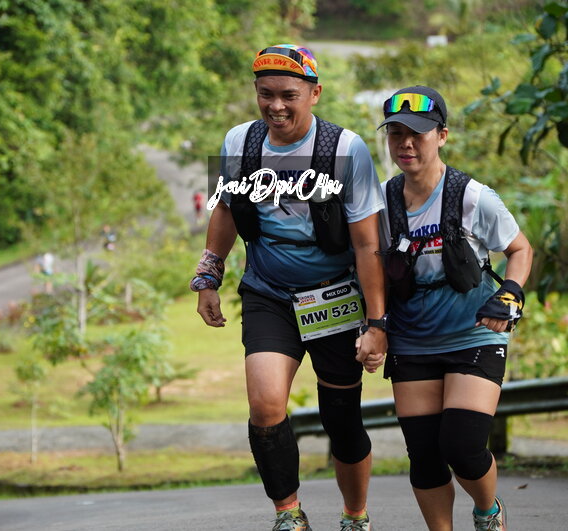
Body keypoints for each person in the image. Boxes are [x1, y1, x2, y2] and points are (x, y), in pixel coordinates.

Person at [191, 44, 387, 531]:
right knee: (265, 405)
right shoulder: (240, 140)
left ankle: (355, 515)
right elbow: (224, 209)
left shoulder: (346, 150)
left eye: (288, 95)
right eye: (265, 94)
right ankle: (288, 514)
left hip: (335, 295)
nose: (275, 106)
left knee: (340, 418)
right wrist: (209, 276)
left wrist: (377, 322)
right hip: (269, 292)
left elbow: (368, 244)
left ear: (314, 94)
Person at [375, 86, 533, 531]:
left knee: (462, 446)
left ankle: (487, 512)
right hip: (412, 340)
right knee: (424, 456)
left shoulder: (472, 196)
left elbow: (520, 249)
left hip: (473, 334)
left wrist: (510, 292)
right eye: (396, 134)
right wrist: (374, 326)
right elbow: (369, 267)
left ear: (441, 136)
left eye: (418, 134)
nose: (406, 144)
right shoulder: (381, 202)